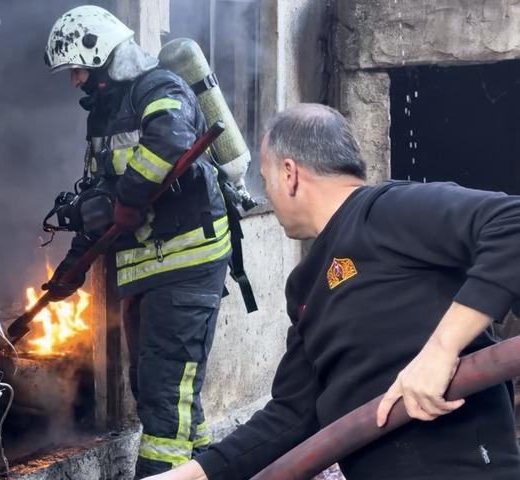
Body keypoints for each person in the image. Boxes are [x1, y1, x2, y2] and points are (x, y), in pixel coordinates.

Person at [148, 103, 520, 479]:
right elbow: (291, 414)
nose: (269, 195)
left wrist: (440, 351)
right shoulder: (306, 285)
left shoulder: (388, 210)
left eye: (265, 179)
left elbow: (511, 223)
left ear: (289, 174)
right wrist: (186, 475)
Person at [40, 6, 234, 477]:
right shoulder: (103, 116)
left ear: (101, 55)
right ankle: (206, 469)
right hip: (148, 270)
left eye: (78, 69)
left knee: (165, 395)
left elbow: (169, 141)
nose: (75, 81)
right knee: (159, 389)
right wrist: (74, 266)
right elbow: (100, 197)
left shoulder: (159, 87)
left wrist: (126, 199)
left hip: (187, 263)